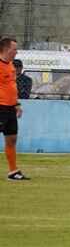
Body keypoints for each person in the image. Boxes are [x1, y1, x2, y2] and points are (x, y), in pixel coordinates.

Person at [0, 38, 29, 180]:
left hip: (10, 108)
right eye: (14, 49)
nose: (16, 52)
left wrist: (16, 104)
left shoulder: (11, 65)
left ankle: (13, 171)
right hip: (1, 107)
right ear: (6, 49)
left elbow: (11, 86)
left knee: (11, 139)